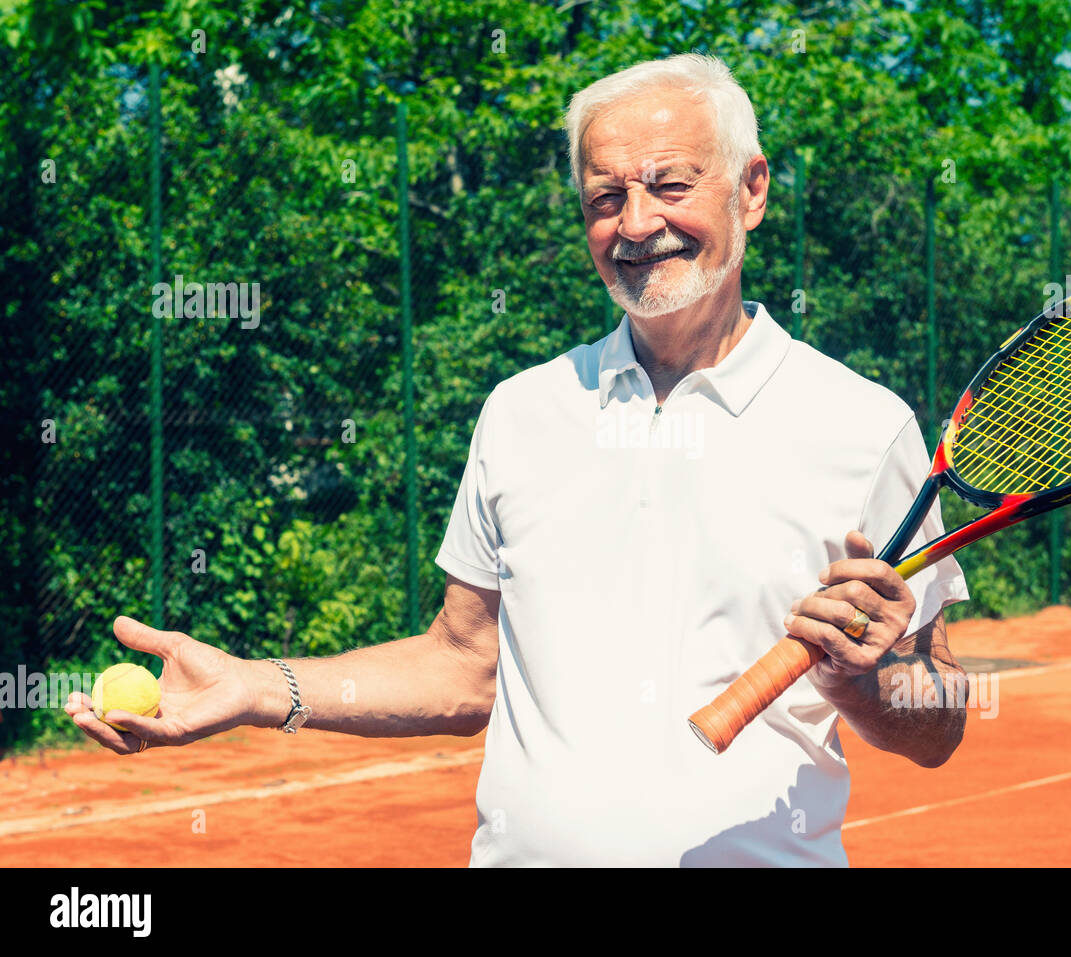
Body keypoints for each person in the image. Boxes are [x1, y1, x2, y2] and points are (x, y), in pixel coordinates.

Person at [68, 53, 969, 867]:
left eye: (670, 184)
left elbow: (939, 718)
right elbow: (464, 666)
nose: (637, 221)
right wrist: (258, 687)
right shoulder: (522, 413)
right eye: (605, 197)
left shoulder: (863, 426)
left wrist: (864, 680)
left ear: (751, 188)